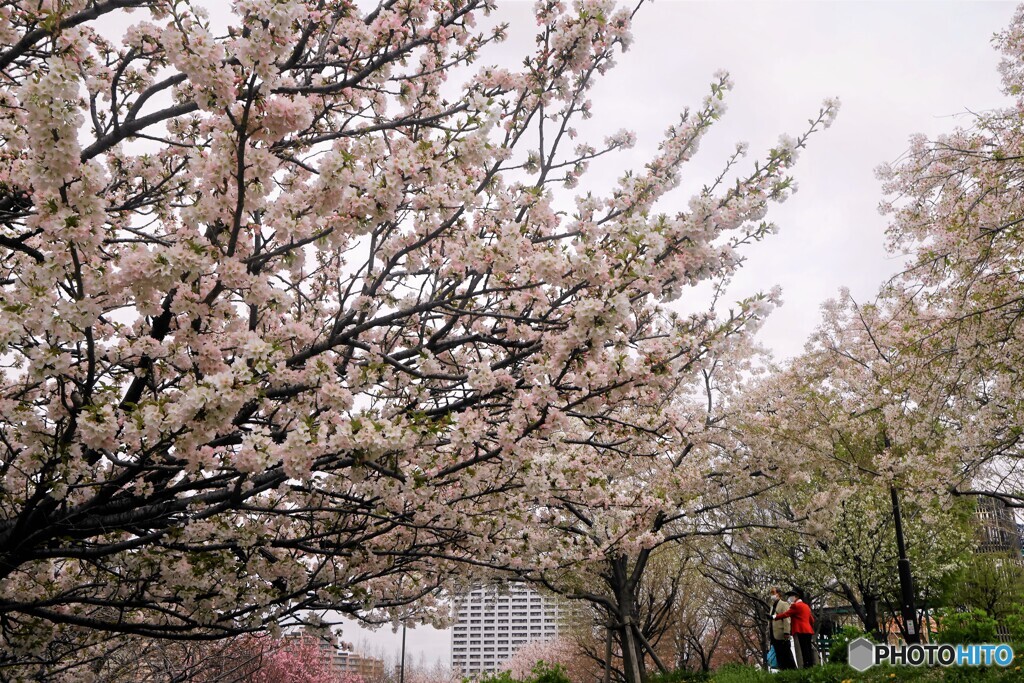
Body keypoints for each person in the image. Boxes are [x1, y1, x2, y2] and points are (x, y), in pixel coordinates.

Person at [774, 590, 815, 668]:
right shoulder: (806, 606)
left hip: (801, 630)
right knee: (808, 649)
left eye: (791, 596)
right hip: (808, 630)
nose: (789, 598)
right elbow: (812, 620)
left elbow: (786, 614)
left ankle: (806, 666)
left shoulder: (795, 606)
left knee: (804, 649)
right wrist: (809, 626)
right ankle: (810, 665)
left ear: (796, 597)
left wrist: (774, 617)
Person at [768, 587, 797, 670]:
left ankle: (792, 670)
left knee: (786, 654)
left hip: (782, 634)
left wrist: (786, 632)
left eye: (773, 593)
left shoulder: (784, 604)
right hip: (774, 634)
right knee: (779, 655)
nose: (772, 595)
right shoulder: (772, 606)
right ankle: (783, 671)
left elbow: (787, 619)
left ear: (778, 594)